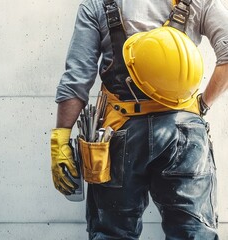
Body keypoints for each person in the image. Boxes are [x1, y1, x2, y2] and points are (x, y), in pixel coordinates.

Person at [50, 0, 228, 239]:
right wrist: (202, 104)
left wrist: (61, 138)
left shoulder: (96, 5)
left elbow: (77, 79)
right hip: (183, 133)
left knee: (112, 233)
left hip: (119, 133)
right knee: (192, 233)